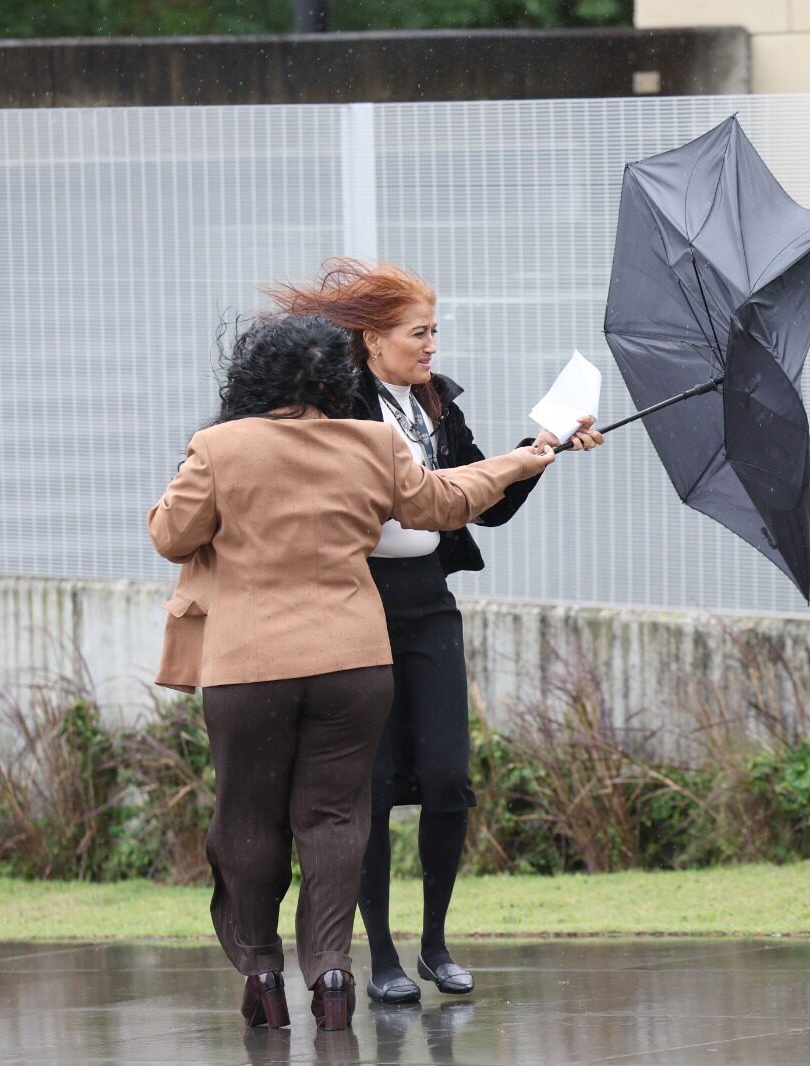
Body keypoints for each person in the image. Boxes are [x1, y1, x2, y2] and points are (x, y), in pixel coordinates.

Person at [148, 314, 553, 1030]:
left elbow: (170, 535)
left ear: (253, 378)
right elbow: (446, 502)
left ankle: (263, 971)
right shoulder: (374, 442)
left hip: (251, 670)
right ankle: (332, 974)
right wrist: (522, 461)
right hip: (354, 664)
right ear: (339, 379)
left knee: (249, 819)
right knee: (336, 817)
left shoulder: (218, 447)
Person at [268, 259, 602, 1003]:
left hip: (428, 600)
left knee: (448, 777)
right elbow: (390, 496)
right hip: (358, 603)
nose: (431, 346)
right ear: (372, 340)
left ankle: (435, 945)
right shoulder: (336, 406)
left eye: (434, 331)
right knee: (375, 783)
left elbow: (487, 503)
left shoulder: (435, 404)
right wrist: (517, 461)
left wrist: (543, 448)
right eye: (418, 333)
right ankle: (382, 956)